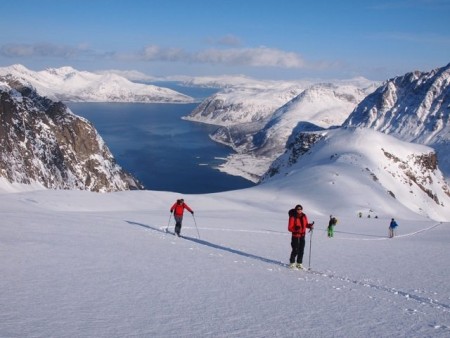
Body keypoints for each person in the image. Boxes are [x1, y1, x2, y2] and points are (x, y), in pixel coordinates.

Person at [288, 204, 314, 269]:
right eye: (298, 209)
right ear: (296, 209)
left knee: (301, 250)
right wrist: (295, 229)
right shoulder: (292, 217)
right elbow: (289, 228)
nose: (299, 210)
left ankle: (299, 263)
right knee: (295, 250)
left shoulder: (304, 216)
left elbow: (306, 224)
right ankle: (292, 263)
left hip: (302, 235)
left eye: (300, 209)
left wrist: (310, 225)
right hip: (295, 236)